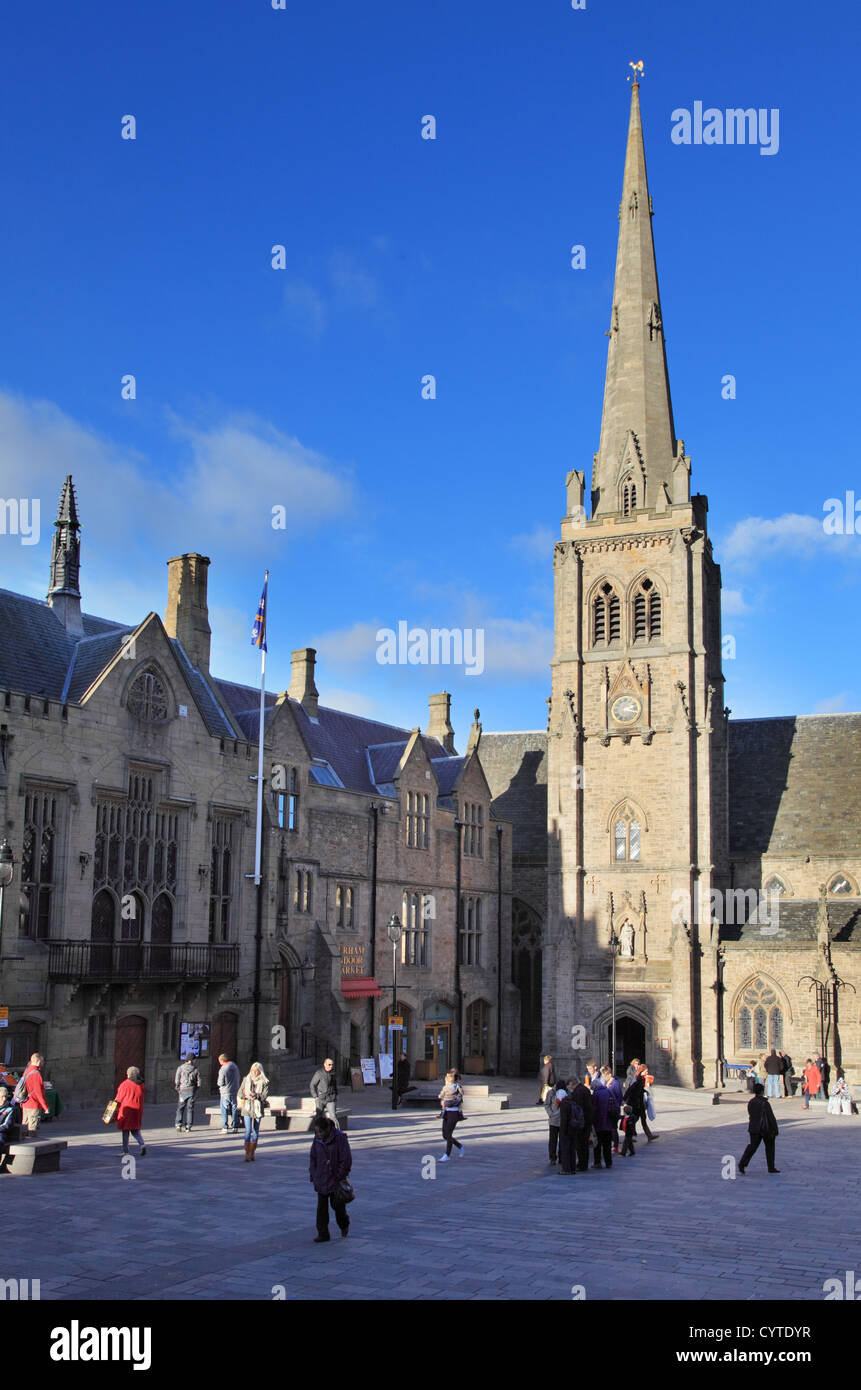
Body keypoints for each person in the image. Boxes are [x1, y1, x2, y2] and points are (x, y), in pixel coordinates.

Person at [310, 1114, 352, 1242]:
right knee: (321, 1208)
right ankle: (323, 1233)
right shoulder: (317, 1139)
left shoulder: (339, 1138)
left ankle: (344, 1224)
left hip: (335, 1179)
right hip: (321, 1178)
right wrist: (313, 1175)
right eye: (317, 1132)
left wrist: (340, 1175)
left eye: (321, 1132)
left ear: (327, 1129)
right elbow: (313, 1157)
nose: (319, 1135)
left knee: (337, 1206)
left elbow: (346, 1159)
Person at [738, 1082, 779, 1174]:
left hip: (753, 1127)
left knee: (752, 1147)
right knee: (769, 1147)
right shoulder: (765, 1103)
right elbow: (771, 1117)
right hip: (765, 1128)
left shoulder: (751, 1102)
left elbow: (751, 1114)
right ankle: (771, 1167)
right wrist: (775, 1129)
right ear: (761, 1091)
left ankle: (742, 1163)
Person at [238, 1062, 269, 1160]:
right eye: (253, 1070)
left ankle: (252, 1152)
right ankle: (247, 1152)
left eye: (257, 1071)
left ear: (260, 1071)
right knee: (248, 1130)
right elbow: (240, 1093)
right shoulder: (246, 1079)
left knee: (255, 1131)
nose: (255, 1072)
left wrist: (256, 1096)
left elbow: (264, 1096)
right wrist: (246, 1096)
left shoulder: (264, 1082)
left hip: (257, 1109)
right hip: (247, 1108)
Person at [114, 1066, 146, 1157]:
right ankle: (142, 1144)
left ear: (128, 1074)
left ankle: (125, 1151)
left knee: (125, 1130)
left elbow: (119, 1098)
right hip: (138, 1109)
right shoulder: (141, 1084)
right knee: (135, 1129)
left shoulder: (125, 1084)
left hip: (127, 1109)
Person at [18, 1053, 50, 1138]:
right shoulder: (36, 1074)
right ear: (38, 1061)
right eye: (42, 1061)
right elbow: (38, 1093)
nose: (43, 1063)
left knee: (24, 1126)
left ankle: (23, 1145)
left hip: (25, 1103)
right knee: (32, 1128)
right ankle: (31, 1145)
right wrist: (45, 1107)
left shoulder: (27, 1070)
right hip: (33, 1105)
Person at [567, 1073, 593, 1172]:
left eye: (570, 1085)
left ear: (572, 1084)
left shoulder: (577, 1092)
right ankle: (584, 1163)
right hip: (588, 1120)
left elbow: (577, 1108)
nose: (570, 1088)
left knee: (580, 1144)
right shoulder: (585, 1089)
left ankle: (582, 1164)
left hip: (582, 1122)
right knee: (584, 1144)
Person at [624, 1064, 657, 1142]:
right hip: (636, 1104)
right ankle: (630, 1135)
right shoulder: (638, 1079)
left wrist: (646, 1091)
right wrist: (624, 1099)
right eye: (646, 1071)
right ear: (642, 1071)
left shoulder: (641, 1079)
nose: (647, 1072)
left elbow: (640, 1090)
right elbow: (630, 1090)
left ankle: (649, 1135)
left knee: (643, 1119)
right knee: (635, 1119)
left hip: (639, 1103)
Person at [438, 1069, 465, 1161]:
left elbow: (460, 1099)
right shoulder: (446, 1088)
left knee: (448, 1133)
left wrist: (447, 1102)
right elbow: (441, 1096)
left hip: (454, 1113)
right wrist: (443, 1101)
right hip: (446, 1112)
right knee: (444, 1135)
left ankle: (447, 1155)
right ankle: (460, 1146)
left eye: (446, 1078)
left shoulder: (458, 1087)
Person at [558, 1079, 583, 1175]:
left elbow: (564, 1120)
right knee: (572, 1149)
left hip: (567, 1130)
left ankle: (566, 1169)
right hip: (574, 1128)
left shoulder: (564, 1105)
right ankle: (572, 1168)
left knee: (566, 1150)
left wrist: (562, 1132)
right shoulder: (572, 1102)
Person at [591, 1075, 617, 1168]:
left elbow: (593, 1109)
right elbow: (616, 1105)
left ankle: (597, 1162)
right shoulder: (609, 1091)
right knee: (607, 1144)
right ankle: (608, 1163)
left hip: (598, 1123)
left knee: (597, 1144)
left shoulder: (596, 1094)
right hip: (609, 1122)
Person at [174, 1054, 200, 1132]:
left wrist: (178, 1087)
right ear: (192, 1060)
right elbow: (199, 1082)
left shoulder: (180, 1068)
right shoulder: (195, 1069)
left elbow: (177, 1080)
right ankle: (188, 1126)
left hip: (182, 1090)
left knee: (180, 1108)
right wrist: (196, 1088)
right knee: (190, 1108)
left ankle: (178, 1124)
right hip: (191, 1090)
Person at [217, 1052, 241, 1133]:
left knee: (224, 1109)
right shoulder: (235, 1066)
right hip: (234, 1090)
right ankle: (235, 1126)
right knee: (234, 1108)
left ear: (221, 1061)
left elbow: (220, 1082)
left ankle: (225, 1127)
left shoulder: (223, 1069)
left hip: (225, 1092)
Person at [601, 1064, 623, 1153]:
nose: (604, 1078)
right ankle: (612, 1144)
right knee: (610, 1127)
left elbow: (619, 1096)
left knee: (613, 1128)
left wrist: (616, 1104)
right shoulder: (607, 1083)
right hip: (608, 1108)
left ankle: (616, 1146)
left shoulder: (615, 1084)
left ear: (609, 1074)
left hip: (614, 1109)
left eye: (605, 1076)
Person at [310, 1058, 339, 1124]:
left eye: (332, 1065)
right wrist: (315, 1096)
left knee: (333, 1117)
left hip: (331, 1098)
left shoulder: (333, 1073)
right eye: (329, 1064)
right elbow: (312, 1084)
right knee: (319, 1117)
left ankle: (337, 1132)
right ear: (325, 1065)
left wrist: (336, 1095)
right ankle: (318, 1133)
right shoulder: (319, 1073)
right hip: (321, 1098)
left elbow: (334, 1085)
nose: (331, 1066)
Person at [544, 1085, 566, 1166]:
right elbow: (546, 1104)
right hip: (553, 1121)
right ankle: (552, 1158)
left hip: (563, 1121)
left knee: (562, 1140)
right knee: (553, 1140)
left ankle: (561, 1157)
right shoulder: (551, 1093)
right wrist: (551, 1114)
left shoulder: (566, 1092)